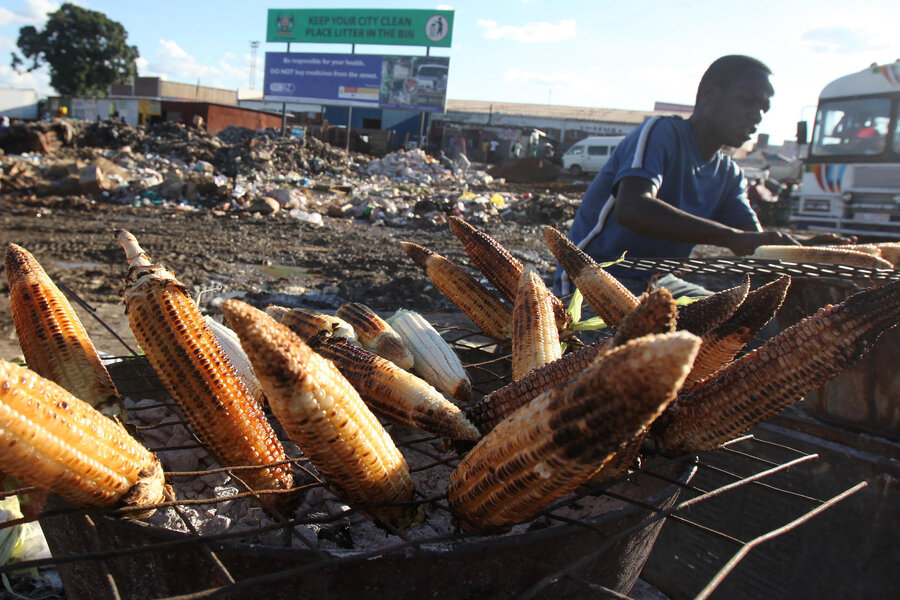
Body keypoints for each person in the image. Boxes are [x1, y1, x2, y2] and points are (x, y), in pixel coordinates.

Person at [553, 54, 853, 299]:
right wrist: (733, 237)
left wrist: (807, 250)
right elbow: (633, 208)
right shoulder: (662, 133)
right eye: (747, 101)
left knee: (740, 326)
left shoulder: (729, 173)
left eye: (763, 109)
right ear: (709, 94)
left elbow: (754, 242)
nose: (757, 116)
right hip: (595, 279)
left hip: (658, 283)